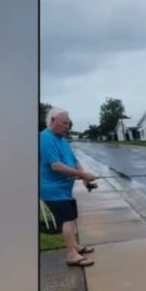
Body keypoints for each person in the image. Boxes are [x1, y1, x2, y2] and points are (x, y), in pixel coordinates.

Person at [40, 107, 99, 267]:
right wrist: (83, 176)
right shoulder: (45, 138)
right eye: (64, 123)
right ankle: (72, 255)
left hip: (64, 189)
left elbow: (74, 161)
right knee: (66, 219)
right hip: (52, 189)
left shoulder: (62, 140)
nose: (67, 126)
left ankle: (75, 246)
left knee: (71, 217)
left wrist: (84, 177)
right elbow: (56, 166)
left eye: (69, 124)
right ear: (52, 121)